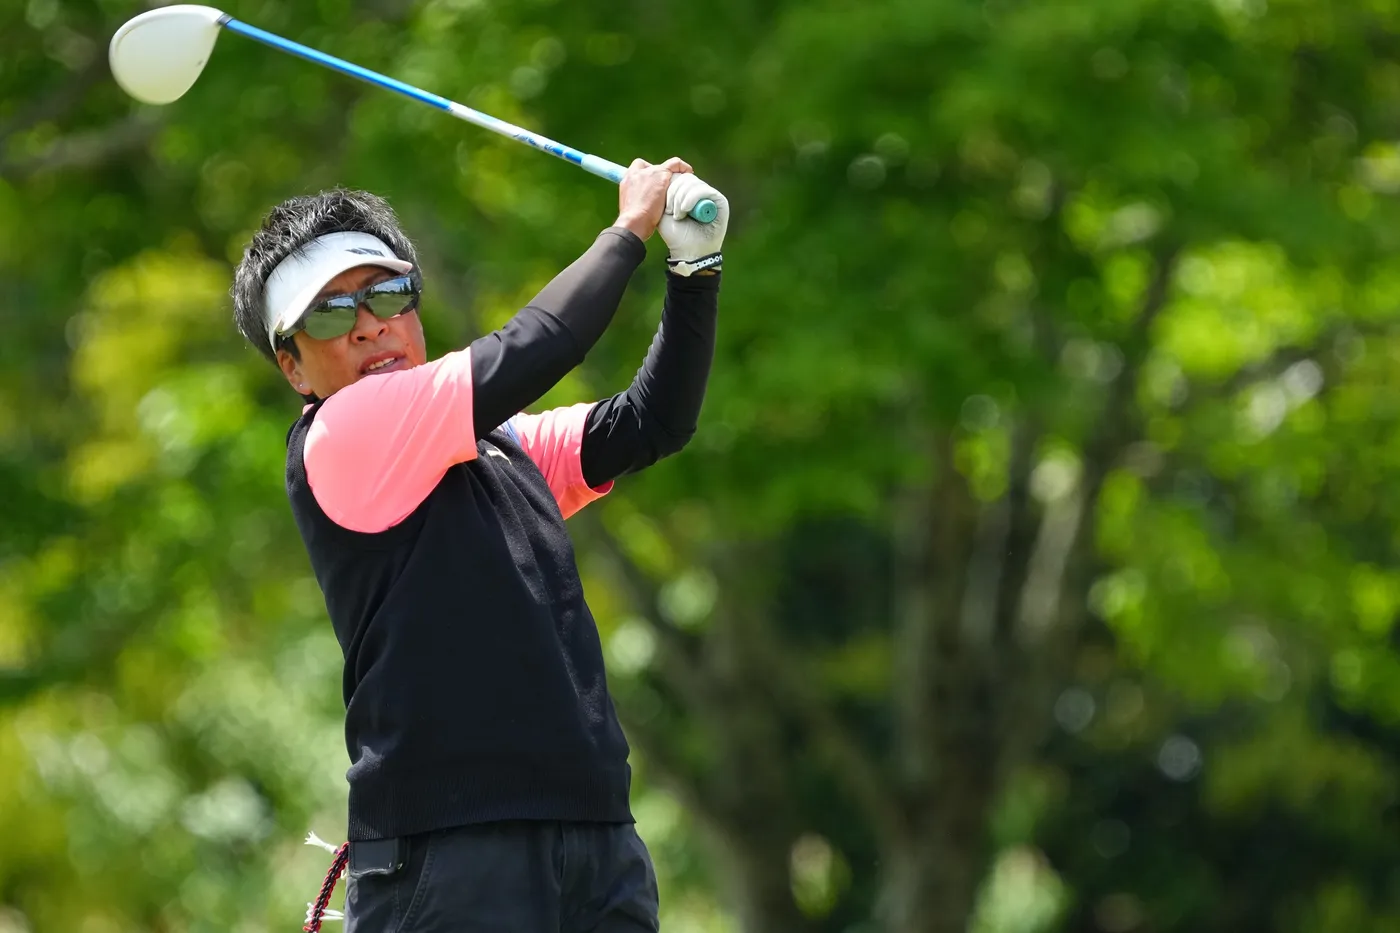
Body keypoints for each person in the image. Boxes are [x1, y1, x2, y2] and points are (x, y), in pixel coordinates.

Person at [229, 157, 727, 932]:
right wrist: (629, 230)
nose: (369, 325)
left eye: (386, 294)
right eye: (328, 315)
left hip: (594, 840)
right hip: (450, 855)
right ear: (292, 365)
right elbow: (541, 344)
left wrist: (695, 271)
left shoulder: (498, 446)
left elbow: (651, 423)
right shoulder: (341, 433)